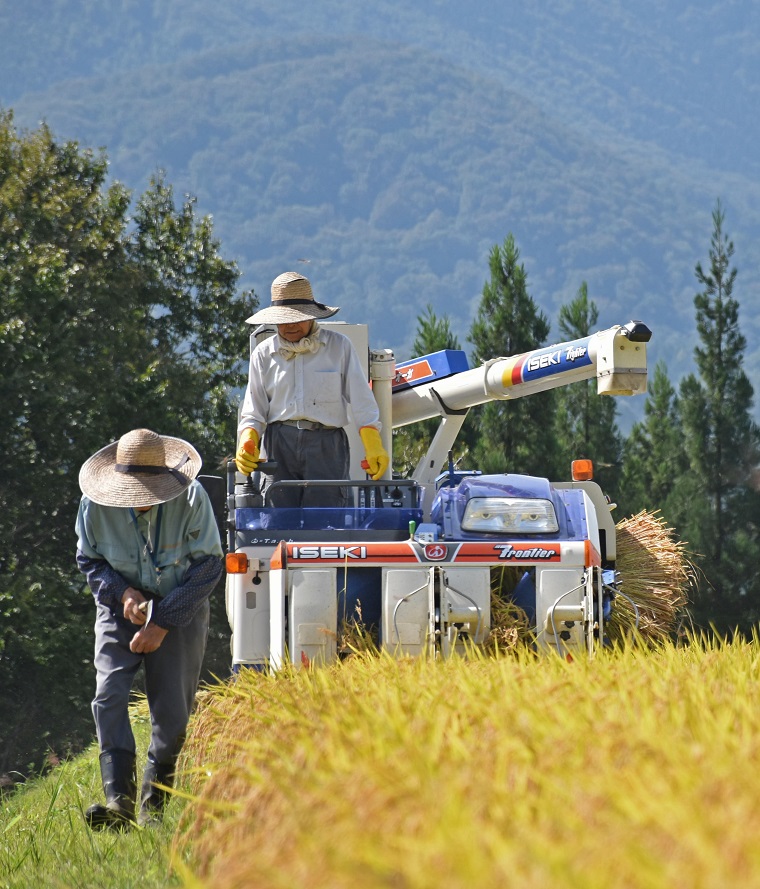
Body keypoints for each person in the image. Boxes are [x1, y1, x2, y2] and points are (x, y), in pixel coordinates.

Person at [75, 428, 223, 830]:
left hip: (181, 606)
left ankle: (152, 810)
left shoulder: (192, 500)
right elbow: (90, 562)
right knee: (107, 696)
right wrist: (123, 595)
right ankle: (118, 801)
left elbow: (209, 567)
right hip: (118, 608)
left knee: (172, 712)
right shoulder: (93, 506)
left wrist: (162, 622)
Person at [235, 271, 390, 507]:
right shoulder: (263, 354)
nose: (290, 326)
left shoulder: (339, 347)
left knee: (328, 520)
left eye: (297, 317)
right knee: (278, 520)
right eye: (284, 319)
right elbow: (254, 410)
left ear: (311, 316)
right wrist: (248, 438)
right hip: (279, 443)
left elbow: (361, 400)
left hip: (327, 443)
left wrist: (372, 441)